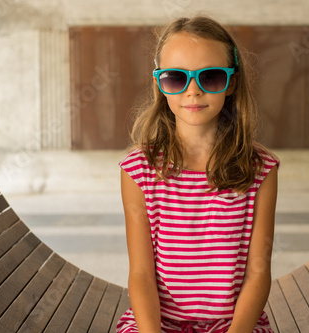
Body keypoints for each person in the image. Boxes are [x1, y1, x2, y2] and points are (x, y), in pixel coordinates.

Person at [117, 15, 280, 333]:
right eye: (177, 78)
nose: (193, 91)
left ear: (231, 82)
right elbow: (140, 275)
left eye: (212, 77)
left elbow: (258, 274)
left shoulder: (260, 169)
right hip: (159, 324)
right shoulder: (139, 169)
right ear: (160, 84)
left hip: (234, 325)